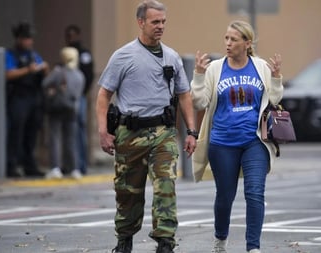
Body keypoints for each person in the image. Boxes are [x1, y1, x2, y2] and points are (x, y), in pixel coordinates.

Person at [95, 1, 197, 252]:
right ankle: (124, 239)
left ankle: (165, 241)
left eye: (163, 22)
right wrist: (103, 131)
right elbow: (103, 95)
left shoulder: (172, 56)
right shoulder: (123, 56)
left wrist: (192, 131)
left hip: (163, 133)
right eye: (155, 22)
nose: (161, 26)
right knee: (128, 191)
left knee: (165, 184)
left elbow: (184, 95)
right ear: (141, 22)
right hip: (129, 134)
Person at [190, 20, 283, 253]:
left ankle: (253, 247)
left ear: (247, 43)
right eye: (226, 38)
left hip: (254, 141)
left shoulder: (260, 66)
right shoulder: (215, 69)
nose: (228, 43)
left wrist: (276, 78)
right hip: (222, 143)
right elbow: (199, 102)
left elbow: (274, 99)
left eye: (233, 39)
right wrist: (199, 76)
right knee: (225, 196)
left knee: (254, 192)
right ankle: (220, 239)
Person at [5, 20, 49, 178]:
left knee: (32, 133)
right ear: (18, 39)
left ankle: (30, 165)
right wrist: (27, 70)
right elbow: (7, 74)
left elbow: (41, 70)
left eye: (30, 38)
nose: (29, 41)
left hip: (34, 97)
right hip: (18, 97)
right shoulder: (10, 54)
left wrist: (44, 69)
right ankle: (12, 165)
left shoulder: (33, 55)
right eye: (26, 38)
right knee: (16, 132)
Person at [44, 47, 85, 179]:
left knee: (55, 138)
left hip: (57, 108)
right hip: (72, 109)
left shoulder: (58, 72)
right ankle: (74, 168)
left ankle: (55, 168)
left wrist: (53, 90)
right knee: (71, 140)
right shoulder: (80, 75)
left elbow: (44, 83)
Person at [65, 24, 94, 175]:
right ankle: (70, 164)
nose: (71, 39)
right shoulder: (66, 53)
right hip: (67, 97)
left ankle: (81, 165)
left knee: (79, 129)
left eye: (73, 35)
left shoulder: (84, 54)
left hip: (80, 96)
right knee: (69, 131)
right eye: (68, 36)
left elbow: (88, 75)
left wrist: (81, 93)